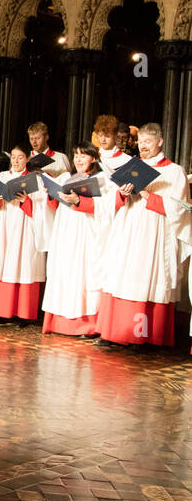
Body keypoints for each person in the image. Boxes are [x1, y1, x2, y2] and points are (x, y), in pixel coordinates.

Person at [96, 123, 191, 347]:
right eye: (140, 142)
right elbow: (113, 200)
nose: (143, 146)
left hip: (154, 232)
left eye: (148, 142)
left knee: (146, 278)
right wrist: (123, 193)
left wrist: (148, 195)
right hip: (128, 227)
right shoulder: (131, 166)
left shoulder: (174, 171)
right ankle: (116, 333)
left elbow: (180, 207)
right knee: (120, 275)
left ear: (160, 142)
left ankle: (143, 335)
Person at [40, 143, 113, 336]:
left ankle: (86, 326)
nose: (79, 159)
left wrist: (80, 201)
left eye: (84, 156)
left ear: (94, 158)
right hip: (65, 233)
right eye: (76, 156)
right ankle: (59, 323)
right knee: (64, 273)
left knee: (83, 274)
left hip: (88, 234)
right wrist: (52, 193)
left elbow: (107, 209)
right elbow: (55, 206)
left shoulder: (103, 180)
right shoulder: (66, 177)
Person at [0, 144, 48, 319]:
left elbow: (41, 208)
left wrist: (26, 200)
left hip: (23, 225)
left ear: (27, 159)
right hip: (3, 223)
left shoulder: (36, 180)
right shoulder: (2, 176)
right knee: (1, 263)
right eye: (13, 157)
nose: (16, 161)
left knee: (22, 265)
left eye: (20, 157)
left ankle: (21, 313)